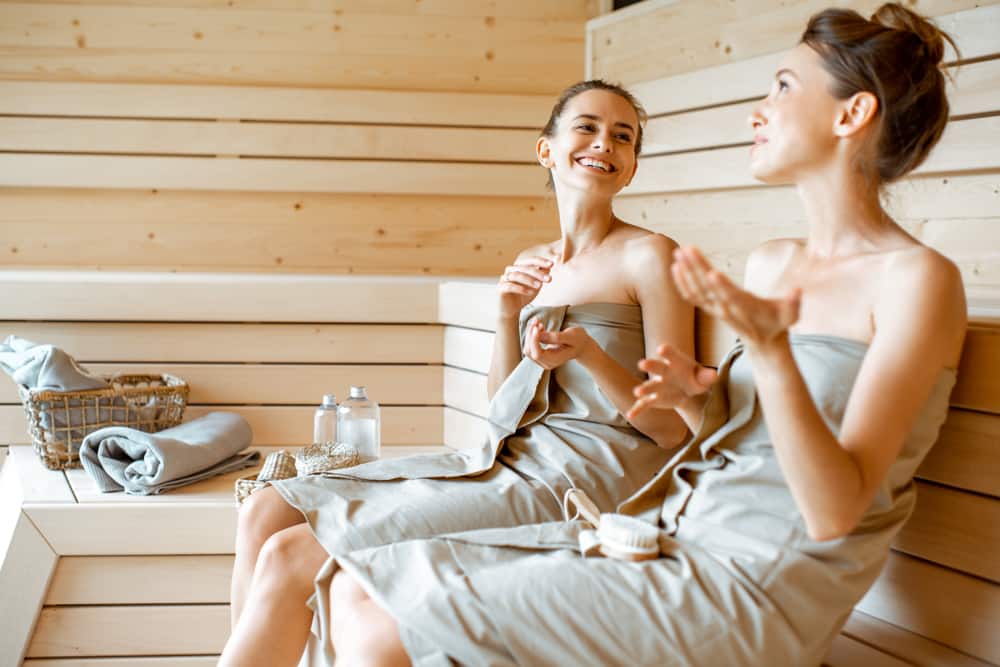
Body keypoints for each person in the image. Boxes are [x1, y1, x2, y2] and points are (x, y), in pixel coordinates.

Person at [319, 4, 967, 666]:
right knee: (355, 587)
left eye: (782, 86)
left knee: (380, 622)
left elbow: (835, 513)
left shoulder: (918, 281)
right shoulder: (773, 263)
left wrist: (771, 354)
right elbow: (743, 439)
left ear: (851, 114)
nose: (758, 112)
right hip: (671, 530)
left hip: (751, 586)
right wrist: (691, 397)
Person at [219, 80, 696, 666]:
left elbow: (672, 427)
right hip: (504, 458)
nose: (604, 143)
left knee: (291, 555)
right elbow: (505, 404)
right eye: (587, 127)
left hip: (583, 480)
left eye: (622, 137)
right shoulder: (533, 264)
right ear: (545, 149)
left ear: (631, 168)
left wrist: (591, 355)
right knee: (265, 510)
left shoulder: (651, 256)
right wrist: (506, 315)